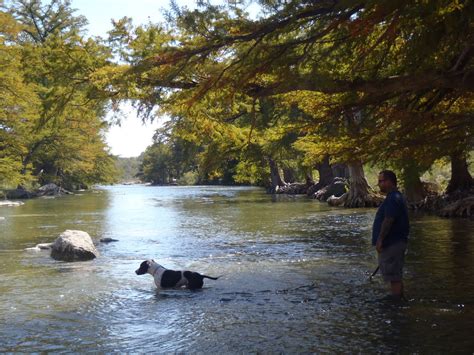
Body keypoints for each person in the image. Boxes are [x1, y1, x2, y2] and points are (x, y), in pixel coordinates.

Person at [372, 170, 409, 300]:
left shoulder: (394, 198)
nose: (379, 184)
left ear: (389, 182)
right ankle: (399, 298)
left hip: (393, 243)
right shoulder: (394, 197)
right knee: (395, 274)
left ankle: (396, 301)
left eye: (381, 181)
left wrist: (380, 240)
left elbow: (389, 220)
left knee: (394, 275)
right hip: (394, 242)